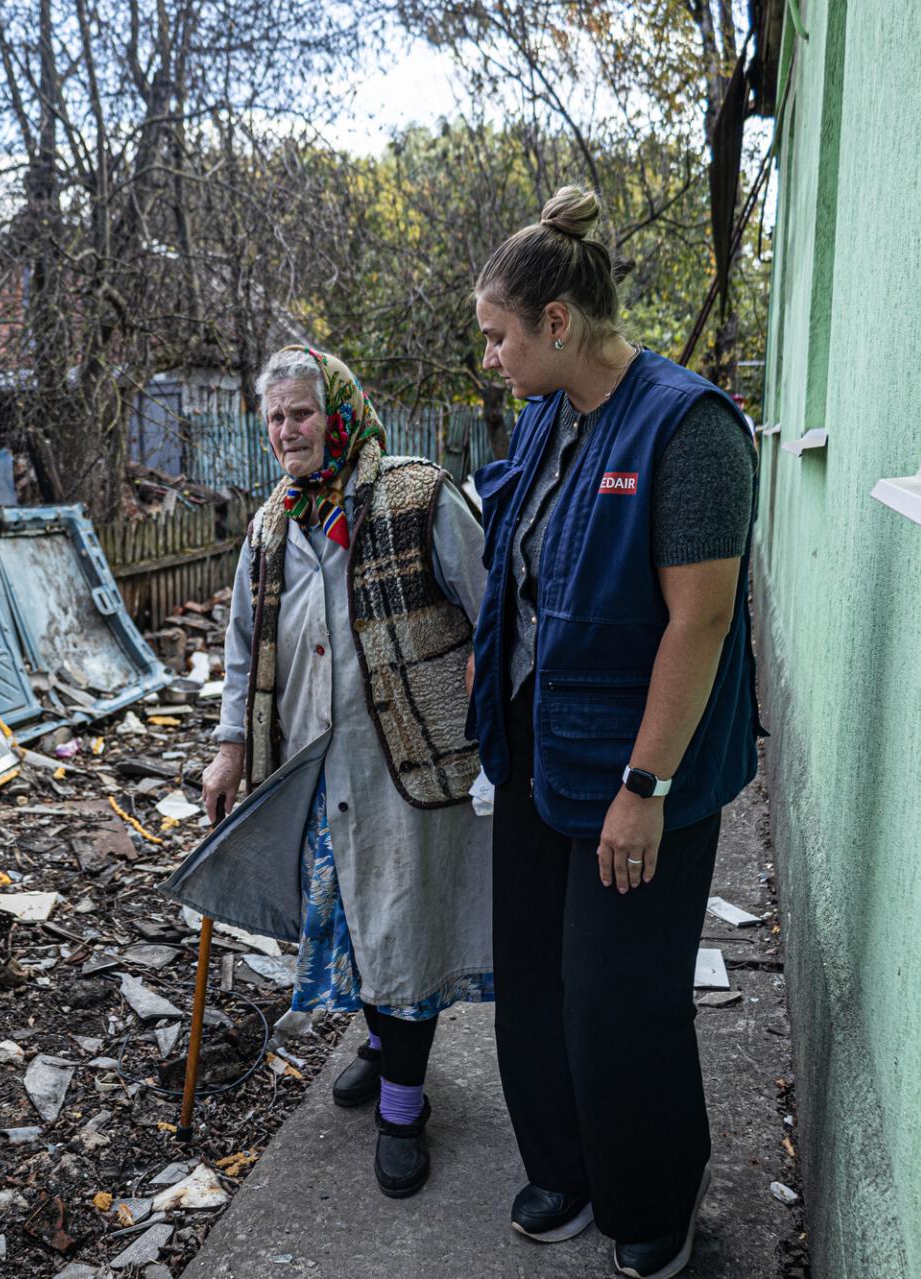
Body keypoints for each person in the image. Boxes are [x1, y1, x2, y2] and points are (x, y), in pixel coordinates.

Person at [464, 187, 760, 1279]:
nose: (489, 357)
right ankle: (569, 1166)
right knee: (535, 976)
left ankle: (651, 1195)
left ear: (556, 322)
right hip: (539, 742)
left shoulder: (689, 427)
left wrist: (646, 783)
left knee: (617, 999)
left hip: (641, 765)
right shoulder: (549, 417)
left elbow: (705, 618)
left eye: (498, 334)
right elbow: (528, 556)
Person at [178, 345, 493, 1199]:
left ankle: (403, 1108)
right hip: (314, 768)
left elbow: (494, 602)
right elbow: (244, 651)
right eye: (275, 417)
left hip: (406, 756)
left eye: (301, 413)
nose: (286, 431)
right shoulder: (272, 525)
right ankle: (385, 1045)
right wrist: (231, 747)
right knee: (354, 920)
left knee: (401, 923)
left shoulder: (417, 495)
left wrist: (491, 695)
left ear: (339, 411)